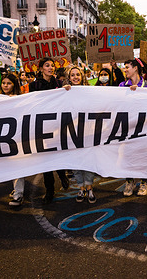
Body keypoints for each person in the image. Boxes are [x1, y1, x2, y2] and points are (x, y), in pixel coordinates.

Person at [29, 57, 70, 203]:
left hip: (58, 125)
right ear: (41, 69)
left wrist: (67, 91)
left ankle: (61, 174)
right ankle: (50, 191)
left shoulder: (59, 84)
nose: (51, 68)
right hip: (42, 126)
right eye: (47, 66)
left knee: (57, 153)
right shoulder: (33, 86)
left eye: (52, 66)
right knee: (46, 159)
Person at [119, 58, 147, 196]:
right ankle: (129, 181)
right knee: (128, 155)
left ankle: (144, 182)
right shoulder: (122, 85)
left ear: (135, 68)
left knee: (143, 155)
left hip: (144, 126)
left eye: (127, 67)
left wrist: (138, 92)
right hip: (127, 125)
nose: (125, 69)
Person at [63, 67, 97, 203]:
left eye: (78, 74)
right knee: (76, 162)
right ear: (69, 77)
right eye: (72, 75)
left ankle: (89, 187)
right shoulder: (64, 92)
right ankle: (81, 188)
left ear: (82, 76)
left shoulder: (90, 92)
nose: (75, 77)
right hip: (72, 132)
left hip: (88, 131)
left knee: (88, 161)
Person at [0, 72, 26, 206]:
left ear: (14, 84)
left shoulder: (20, 99)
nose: (5, 85)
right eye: (3, 83)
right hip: (2, 138)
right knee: (9, 166)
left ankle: (18, 194)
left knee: (17, 165)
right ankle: (16, 190)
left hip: (17, 137)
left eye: (9, 83)